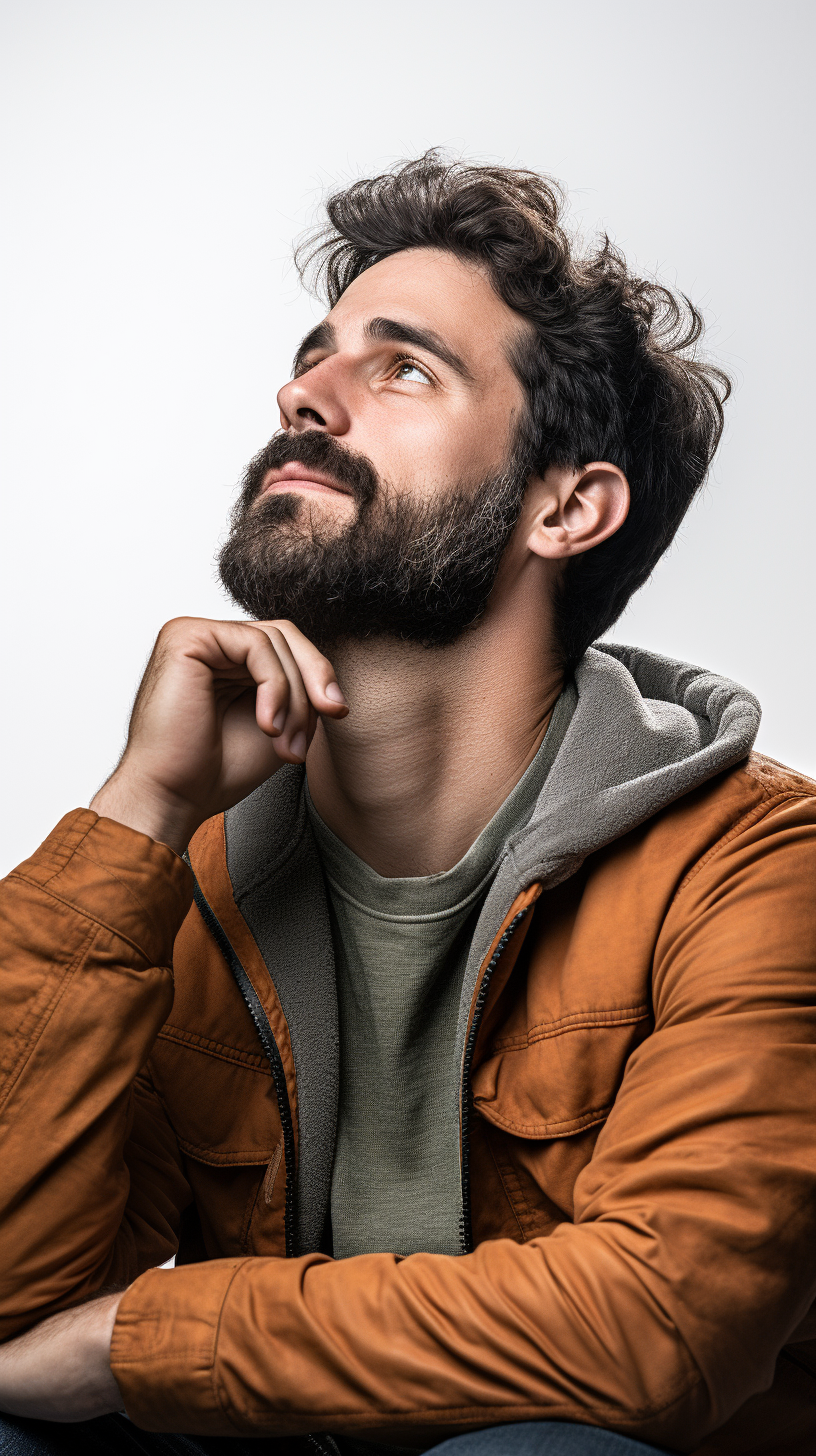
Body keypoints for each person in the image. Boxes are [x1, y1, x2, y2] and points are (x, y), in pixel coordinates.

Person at [0, 154, 814, 1456]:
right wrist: (139, 812)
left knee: (547, 1450)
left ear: (567, 504)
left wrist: (134, 1339)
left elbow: (666, 1325)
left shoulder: (752, 862)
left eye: (403, 369)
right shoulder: (193, 879)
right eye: (314, 357)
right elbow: (6, 1310)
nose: (302, 395)